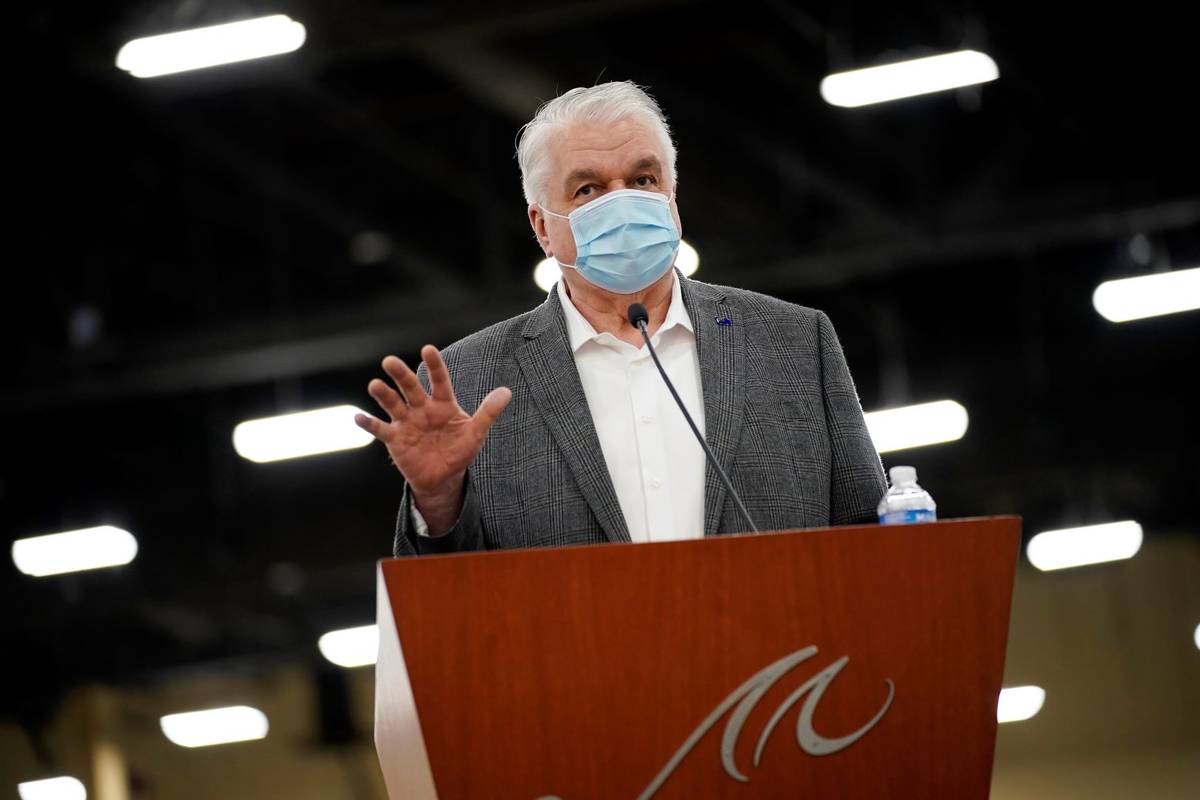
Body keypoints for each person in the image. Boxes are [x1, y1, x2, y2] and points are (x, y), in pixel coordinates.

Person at [353, 81, 886, 557]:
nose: (623, 202)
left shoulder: (793, 342)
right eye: (588, 189)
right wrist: (439, 500)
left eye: (643, 178)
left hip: (783, 663)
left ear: (673, 197)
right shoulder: (469, 380)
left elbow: (873, 538)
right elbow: (448, 609)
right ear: (542, 226)